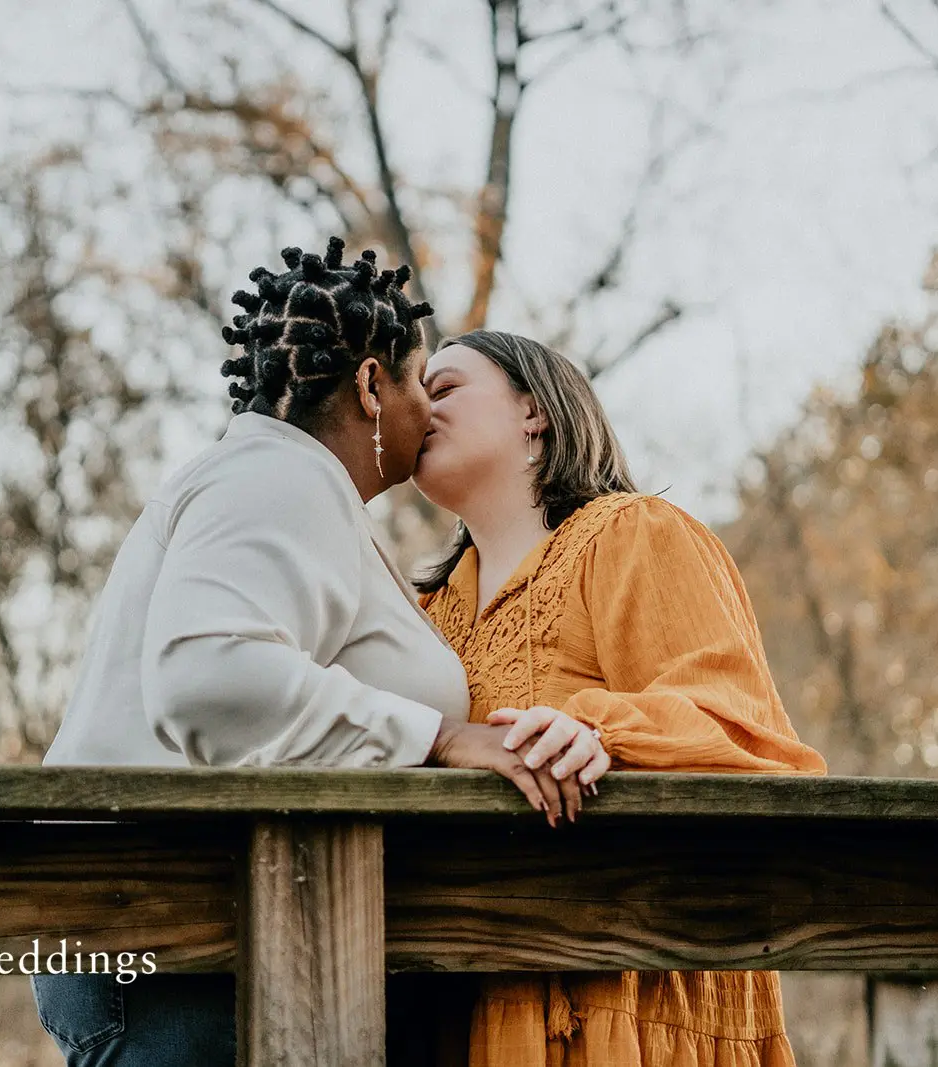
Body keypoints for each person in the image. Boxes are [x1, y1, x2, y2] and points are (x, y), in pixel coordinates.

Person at [31, 243, 601, 1067]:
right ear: (371, 386)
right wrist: (443, 736)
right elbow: (208, 676)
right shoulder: (277, 473)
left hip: (215, 940)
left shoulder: (293, 487)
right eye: (419, 382)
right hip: (175, 950)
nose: (428, 408)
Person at [412, 329, 828, 1067]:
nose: (420, 407)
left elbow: (746, 731)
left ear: (534, 411)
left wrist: (596, 729)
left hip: (635, 993)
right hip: (465, 994)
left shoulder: (635, 532)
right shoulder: (424, 613)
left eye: (443, 387)